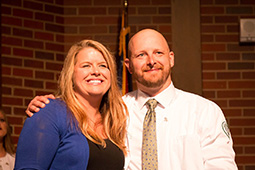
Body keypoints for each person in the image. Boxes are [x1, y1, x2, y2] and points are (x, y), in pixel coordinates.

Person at [26, 29, 238, 170]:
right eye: (141, 55)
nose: (151, 61)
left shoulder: (204, 111)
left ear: (171, 58)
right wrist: (47, 109)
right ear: (127, 65)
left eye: (158, 53)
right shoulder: (116, 110)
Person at [15, 39, 128, 170]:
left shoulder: (114, 119)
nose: (96, 71)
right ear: (71, 74)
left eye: (103, 65)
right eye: (86, 65)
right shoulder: (50, 112)